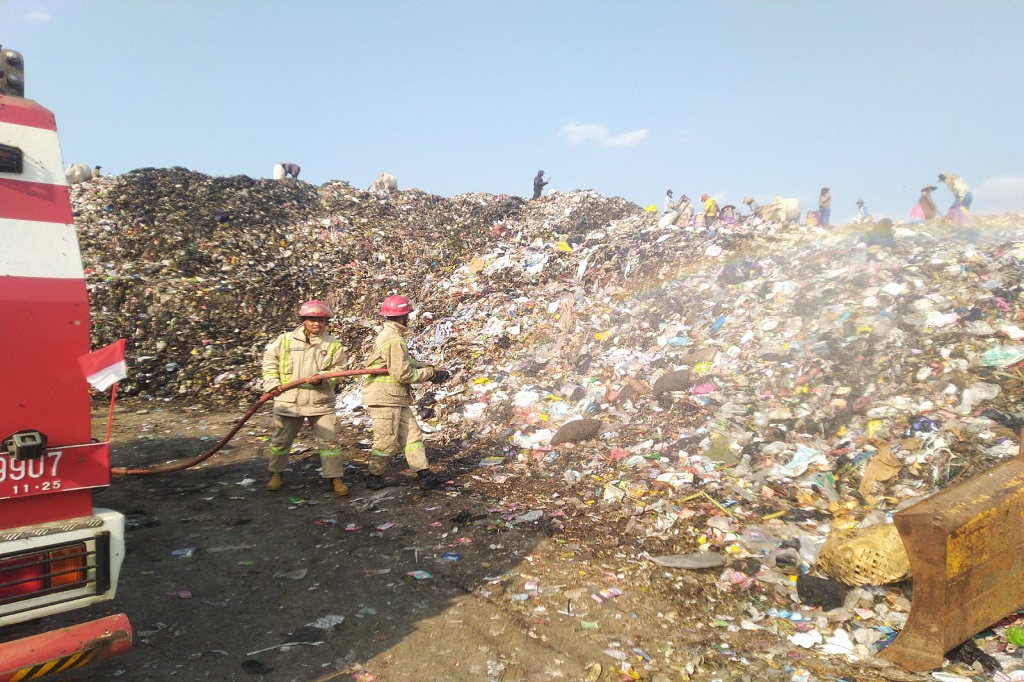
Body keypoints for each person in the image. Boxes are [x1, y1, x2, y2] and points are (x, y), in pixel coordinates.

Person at [362, 295, 450, 491]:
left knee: (412, 436)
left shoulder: (392, 336)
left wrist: (427, 367)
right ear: (403, 317)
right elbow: (402, 374)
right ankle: (374, 476)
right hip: (385, 398)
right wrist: (429, 374)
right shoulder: (393, 340)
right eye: (407, 315)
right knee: (386, 440)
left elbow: (405, 363)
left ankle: (424, 474)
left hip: (396, 397)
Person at [261, 300, 349, 495]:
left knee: (330, 442)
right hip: (289, 400)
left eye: (321, 320)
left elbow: (340, 370)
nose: (317, 323)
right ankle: (276, 473)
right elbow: (270, 362)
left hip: (319, 401)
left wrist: (323, 378)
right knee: (281, 441)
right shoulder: (285, 340)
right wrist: (272, 384)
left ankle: (336, 478)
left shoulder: (333, 345)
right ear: (303, 320)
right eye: (312, 319)